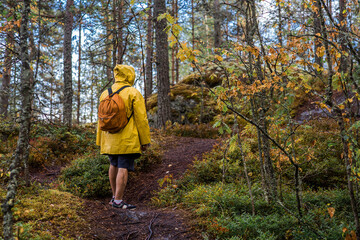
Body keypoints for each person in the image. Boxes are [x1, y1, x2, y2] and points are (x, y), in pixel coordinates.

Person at [96, 64, 151, 209]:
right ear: (129, 75)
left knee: (113, 164)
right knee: (123, 166)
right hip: (127, 139)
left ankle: (114, 197)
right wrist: (145, 140)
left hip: (109, 140)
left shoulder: (105, 93)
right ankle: (119, 201)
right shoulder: (133, 92)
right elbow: (141, 119)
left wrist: (100, 141)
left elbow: (100, 120)